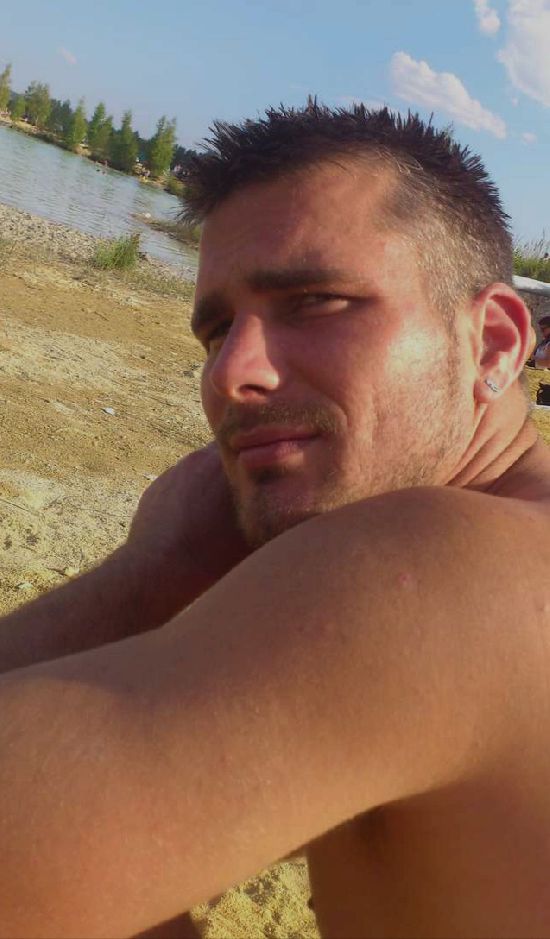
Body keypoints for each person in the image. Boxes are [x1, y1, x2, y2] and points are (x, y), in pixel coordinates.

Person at [0, 103, 549, 939]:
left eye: (316, 301)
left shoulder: (441, 572)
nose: (231, 374)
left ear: (496, 345)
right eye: (217, 329)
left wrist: (148, 572)